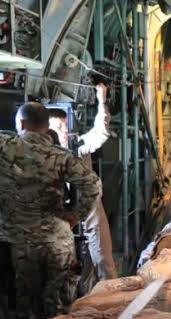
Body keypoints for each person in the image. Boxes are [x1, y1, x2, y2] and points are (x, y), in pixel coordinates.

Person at [0, 102, 101, 319]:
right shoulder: (60, 156)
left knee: (33, 307)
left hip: (22, 243)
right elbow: (93, 186)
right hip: (58, 241)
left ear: (22, 124)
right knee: (60, 305)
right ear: (46, 126)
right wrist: (75, 215)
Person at [49, 84, 117, 280]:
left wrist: (101, 102)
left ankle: (109, 287)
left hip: (87, 206)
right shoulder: (44, 154)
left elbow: (101, 132)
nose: (63, 131)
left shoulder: (78, 145)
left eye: (64, 126)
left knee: (103, 257)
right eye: (58, 128)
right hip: (58, 212)